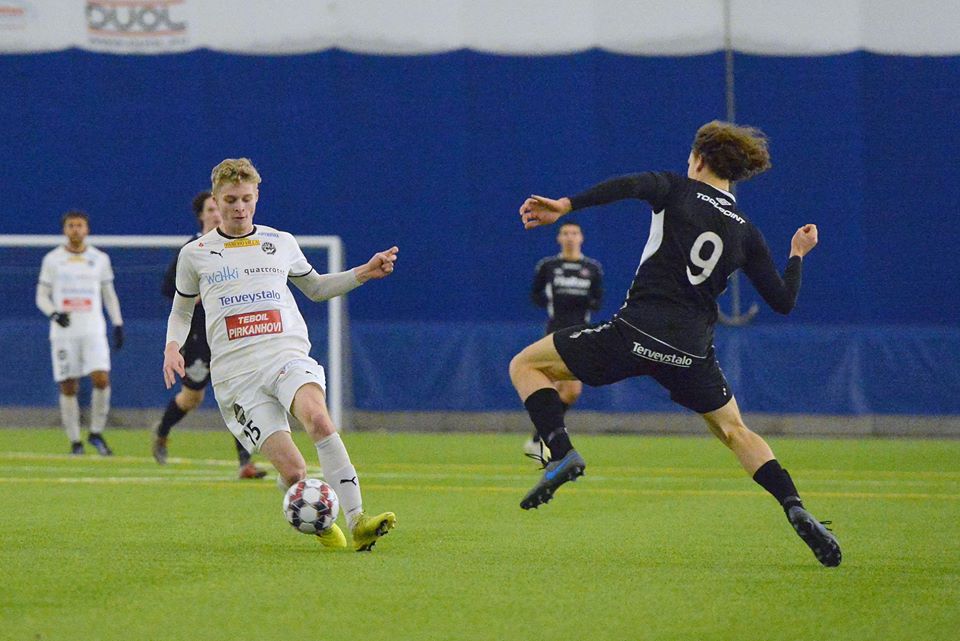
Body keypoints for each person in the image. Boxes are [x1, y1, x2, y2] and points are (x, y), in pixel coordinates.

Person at [510, 121, 841, 567]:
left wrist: (566, 205)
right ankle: (793, 504)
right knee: (735, 431)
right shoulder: (746, 232)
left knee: (525, 365)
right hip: (691, 353)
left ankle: (561, 452)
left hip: (635, 333)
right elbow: (783, 301)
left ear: (699, 160)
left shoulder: (675, 188)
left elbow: (627, 186)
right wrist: (797, 254)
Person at [162, 158, 398, 551]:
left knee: (318, 419)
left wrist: (364, 272)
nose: (240, 207)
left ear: (257, 197)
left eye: (247, 199)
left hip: (285, 354)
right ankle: (318, 522)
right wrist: (173, 346)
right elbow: (182, 310)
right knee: (293, 471)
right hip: (237, 376)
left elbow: (316, 288)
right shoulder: (195, 254)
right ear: (216, 201)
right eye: (231, 200)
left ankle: (358, 520)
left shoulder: (280, 242)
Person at [152, 191, 267, 479]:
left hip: (232, 331)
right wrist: (201, 296)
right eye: (211, 209)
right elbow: (169, 290)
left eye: (219, 208)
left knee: (240, 392)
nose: (217, 213)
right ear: (201, 215)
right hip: (198, 335)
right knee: (192, 397)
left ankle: (245, 462)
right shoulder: (191, 249)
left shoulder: (235, 246)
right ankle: (162, 431)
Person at [36, 210, 124, 455]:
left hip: (93, 329)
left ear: (87, 229)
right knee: (68, 385)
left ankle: (96, 432)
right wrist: (54, 313)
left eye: (80, 225)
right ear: (64, 230)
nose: (75, 229)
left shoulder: (99, 259)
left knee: (101, 378)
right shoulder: (52, 260)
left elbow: (109, 295)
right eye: (71, 225)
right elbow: (41, 296)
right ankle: (75, 440)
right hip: (64, 333)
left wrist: (117, 323)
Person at [524, 221, 603, 460]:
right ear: (559, 238)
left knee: (571, 391)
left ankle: (539, 436)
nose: (570, 237)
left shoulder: (592, 268)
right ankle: (543, 440)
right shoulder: (548, 266)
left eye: (574, 233)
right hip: (554, 332)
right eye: (565, 233)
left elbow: (597, 301)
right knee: (555, 385)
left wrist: (581, 301)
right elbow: (536, 295)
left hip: (580, 333)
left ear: (581, 238)